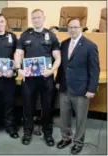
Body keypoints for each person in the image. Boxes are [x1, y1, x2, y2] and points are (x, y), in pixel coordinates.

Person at [14, 9, 61, 146]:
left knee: (47, 107)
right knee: (28, 107)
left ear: (44, 18)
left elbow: (58, 58)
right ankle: (27, 133)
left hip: (46, 79)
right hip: (29, 79)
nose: (36, 20)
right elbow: (18, 54)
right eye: (33, 18)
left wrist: (52, 70)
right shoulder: (25, 35)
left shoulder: (51, 36)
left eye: (38, 17)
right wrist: (18, 69)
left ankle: (48, 134)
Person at [55, 18, 100, 155]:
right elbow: (63, 67)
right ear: (67, 29)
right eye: (70, 27)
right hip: (64, 88)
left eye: (75, 27)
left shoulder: (90, 46)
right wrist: (58, 81)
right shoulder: (63, 44)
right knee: (64, 116)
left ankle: (78, 142)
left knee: (80, 118)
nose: (73, 30)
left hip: (81, 90)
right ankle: (66, 138)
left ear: (81, 28)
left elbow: (94, 70)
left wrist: (91, 89)